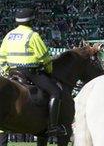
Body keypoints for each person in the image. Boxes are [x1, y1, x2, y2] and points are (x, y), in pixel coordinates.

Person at [0, 8, 65, 137]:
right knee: (56, 92)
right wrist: (49, 70)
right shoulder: (33, 35)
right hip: (30, 72)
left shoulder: (9, 35)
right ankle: (53, 127)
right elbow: (44, 57)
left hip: (12, 73)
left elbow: (2, 56)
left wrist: (6, 71)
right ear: (31, 21)